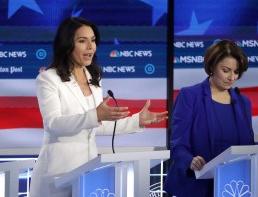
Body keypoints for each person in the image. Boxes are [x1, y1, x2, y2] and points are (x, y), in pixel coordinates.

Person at [29, 17, 168, 197]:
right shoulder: (48, 79)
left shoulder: (94, 78)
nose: (90, 47)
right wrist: (95, 115)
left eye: (93, 41)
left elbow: (95, 126)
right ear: (67, 44)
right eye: (82, 41)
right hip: (56, 175)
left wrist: (137, 121)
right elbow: (54, 124)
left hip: (87, 175)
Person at [164, 40, 255, 197]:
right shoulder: (190, 96)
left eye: (236, 72)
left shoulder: (243, 102)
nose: (232, 77)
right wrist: (189, 160)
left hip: (234, 186)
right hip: (194, 186)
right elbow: (178, 145)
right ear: (212, 66)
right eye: (226, 70)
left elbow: (248, 146)